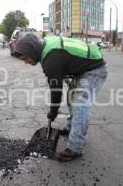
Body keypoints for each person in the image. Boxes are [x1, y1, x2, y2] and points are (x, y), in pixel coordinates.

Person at [14, 34, 108, 162]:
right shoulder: (45, 48)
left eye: (26, 58)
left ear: (32, 50)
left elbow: (56, 90)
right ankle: (70, 129)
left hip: (94, 69)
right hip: (82, 70)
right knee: (72, 98)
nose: (26, 62)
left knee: (80, 104)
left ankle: (75, 148)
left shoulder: (51, 58)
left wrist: (53, 111)